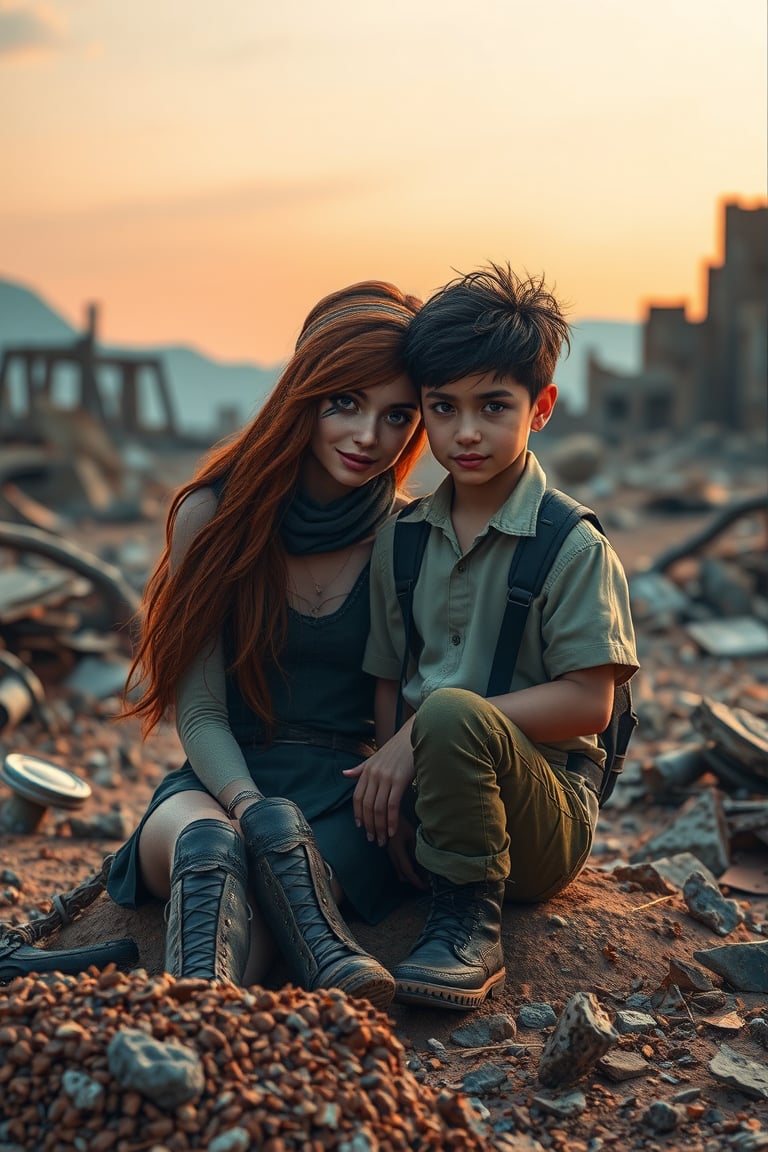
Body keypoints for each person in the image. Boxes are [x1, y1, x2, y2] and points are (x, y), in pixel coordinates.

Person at [103, 281, 427, 1008]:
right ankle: (179, 1049)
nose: (368, 436)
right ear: (303, 395)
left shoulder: (411, 536)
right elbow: (202, 713)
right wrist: (248, 804)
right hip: (220, 778)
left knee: (279, 883)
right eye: (345, 401)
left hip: (346, 803)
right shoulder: (210, 515)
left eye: (396, 415)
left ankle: (191, 1041)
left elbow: (408, 699)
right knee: (211, 850)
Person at [344, 264, 639, 1009]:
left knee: (445, 709)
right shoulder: (402, 538)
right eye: (443, 408)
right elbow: (388, 678)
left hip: (540, 812)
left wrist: (423, 735)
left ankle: (467, 925)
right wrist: (391, 788)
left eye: (493, 406)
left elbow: (589, 704)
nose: (466, 432)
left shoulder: (568, 545)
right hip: (429, 793)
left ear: (541, 409)